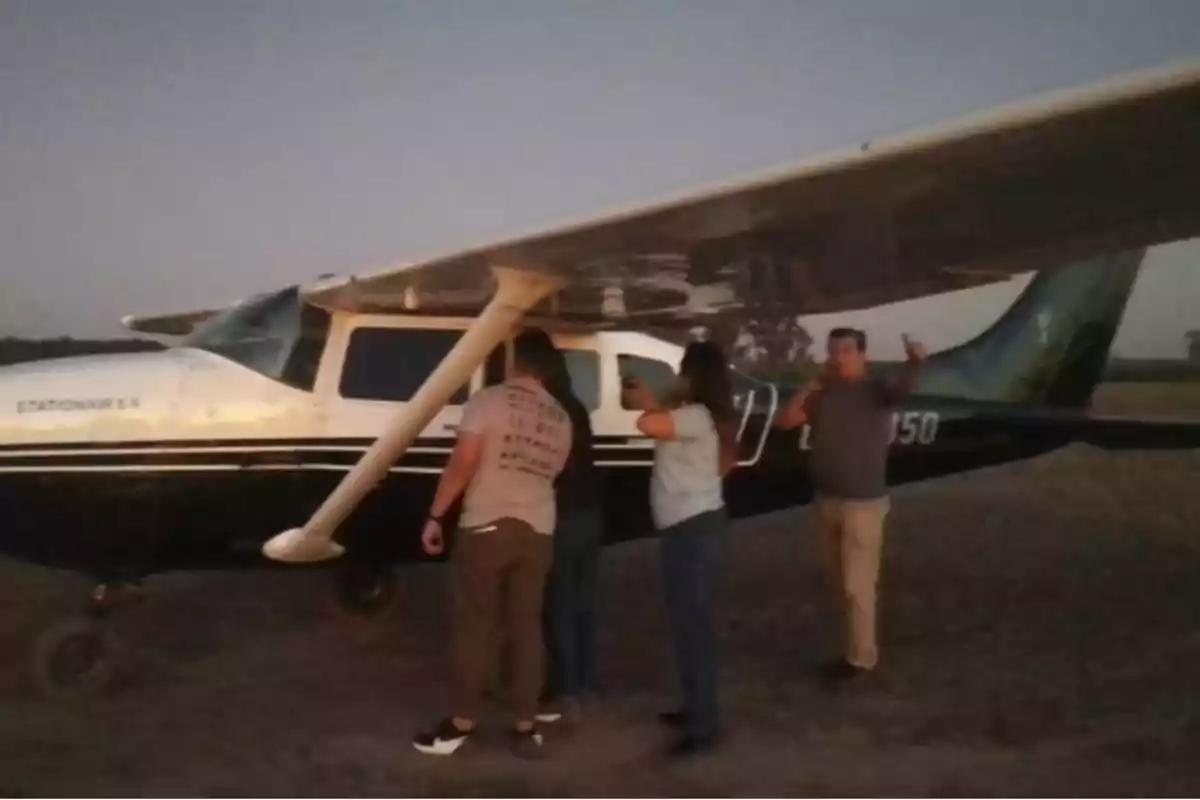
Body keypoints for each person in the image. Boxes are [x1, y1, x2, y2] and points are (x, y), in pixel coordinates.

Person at [412, 328, 573, 760]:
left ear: (515, 361)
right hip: (538, 530)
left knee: (475, 624)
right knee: (526, 627)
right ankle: (525, 726)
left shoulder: (488, 401)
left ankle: (462, 722)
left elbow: (463, 463)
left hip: (486, 526)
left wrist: (436, 515)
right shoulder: (561, 418)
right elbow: (549, 476)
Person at [774, 328, 927, 690]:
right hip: (828, 501)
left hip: (863, 505)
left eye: (846, 350)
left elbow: (902, 389)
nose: (839, 357)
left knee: (858, 585)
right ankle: (854, 648)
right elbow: (785, 420)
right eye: (833, 351)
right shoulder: (823, 395)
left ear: (862, 356)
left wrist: (917, 362)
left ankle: (861, 658)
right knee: (841, 582)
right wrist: (810, 385)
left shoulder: (876, 391)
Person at [625, 340, 738, 758]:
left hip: (692, 531)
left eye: (684, 372)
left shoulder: (694, 414)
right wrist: (659, 401)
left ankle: (704, 724)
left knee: (693, 630)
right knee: (690, 626)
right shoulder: (699, 416)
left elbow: (648, 425)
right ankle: (695, 709)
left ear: (694, 376)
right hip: (689, 529)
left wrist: (648, 401)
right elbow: (664, 424)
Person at [535, 336, 605, 728]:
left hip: (563, 516)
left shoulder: (549, 409)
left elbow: (554, 467)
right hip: (589, 514)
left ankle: (568, 690)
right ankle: (585, 685)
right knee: (582, 605)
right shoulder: (575, 405)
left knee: (559, 606)